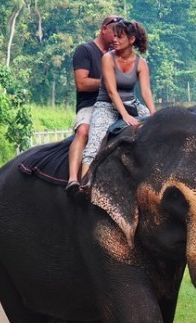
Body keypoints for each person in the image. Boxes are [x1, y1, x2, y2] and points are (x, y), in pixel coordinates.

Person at [80, 19, 155, 178]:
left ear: (131, 40)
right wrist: (125, 115)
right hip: (107, 105)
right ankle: (84, 183)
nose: (114, 40)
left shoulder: (141, 63)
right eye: (114, 36)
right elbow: (111, 91)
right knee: (95, 142)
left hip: (131, 103)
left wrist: (153, 113)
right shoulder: (108, 58)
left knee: (155, 128)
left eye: (119, 37)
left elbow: (146, 91)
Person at [65, 14, 122, 192]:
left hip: (116, 106)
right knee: (83, 131)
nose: (116, 37)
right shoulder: (85, 50)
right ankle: (73, 179)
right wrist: (107, 82)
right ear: (104, 29)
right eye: (114, 32)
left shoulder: (118, 56)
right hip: (91, 105)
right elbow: (82, 84)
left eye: (121, 34)